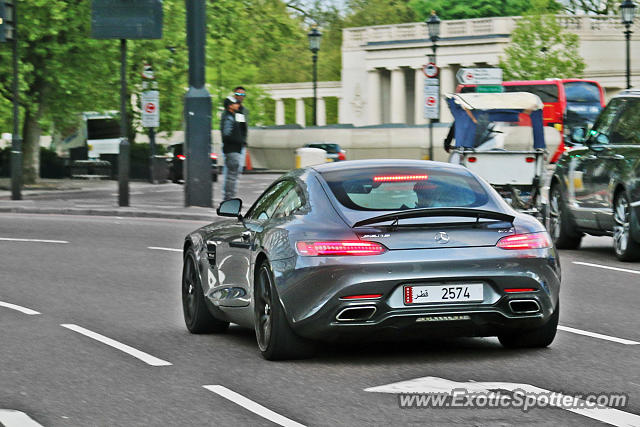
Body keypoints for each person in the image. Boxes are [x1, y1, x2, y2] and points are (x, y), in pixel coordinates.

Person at [221, 96, 244, 200]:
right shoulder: (228, 117)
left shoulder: (234, 116)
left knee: (232, 176)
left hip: (234, 149)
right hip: (232, 150)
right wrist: (238, 140)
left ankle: (230, 197)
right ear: (230, 106)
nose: (238, 105)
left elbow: (243, 128)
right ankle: (229, 198)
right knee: (231, 176)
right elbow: (226, 134)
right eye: (235, 103)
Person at [233, 86, 249, 170]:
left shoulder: (244, 110)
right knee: (232, 170)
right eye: (238, 94)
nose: (241, 96)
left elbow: (243, 127)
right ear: (234, 95)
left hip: (241, 143)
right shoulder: (230, 109)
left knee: (238, 170)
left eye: (243, 94)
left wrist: (244, 141)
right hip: (232, 144)